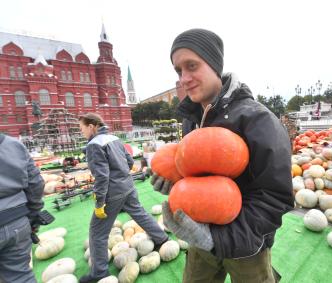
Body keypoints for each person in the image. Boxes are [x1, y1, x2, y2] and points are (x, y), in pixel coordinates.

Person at [151, 28, 294, 283]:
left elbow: (275, 198)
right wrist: (177, 182)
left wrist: (218, 240)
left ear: (215, 65)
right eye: (178, 70)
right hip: (199, 238)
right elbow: (196, 174)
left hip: (247, 246)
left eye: (191, 66)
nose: (184, 78)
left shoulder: (259, 120)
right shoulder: (191, 120)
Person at [78, 113, 168, 283]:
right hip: (127, 186)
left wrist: (99, 203)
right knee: (139, 213)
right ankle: (161, 238)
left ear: (91, 126)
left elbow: (102, 177)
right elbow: (128, 162)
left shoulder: (94, 145)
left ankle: (99, 272)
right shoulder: (113, 138)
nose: (81, 132)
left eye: (81, 128)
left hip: (112, 192)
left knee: (97, 232)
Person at [0, 133, 44, 283]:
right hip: (17, 222)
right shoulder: (13, 145)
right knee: (21, 276)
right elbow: (36, 184)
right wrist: (32, 216)